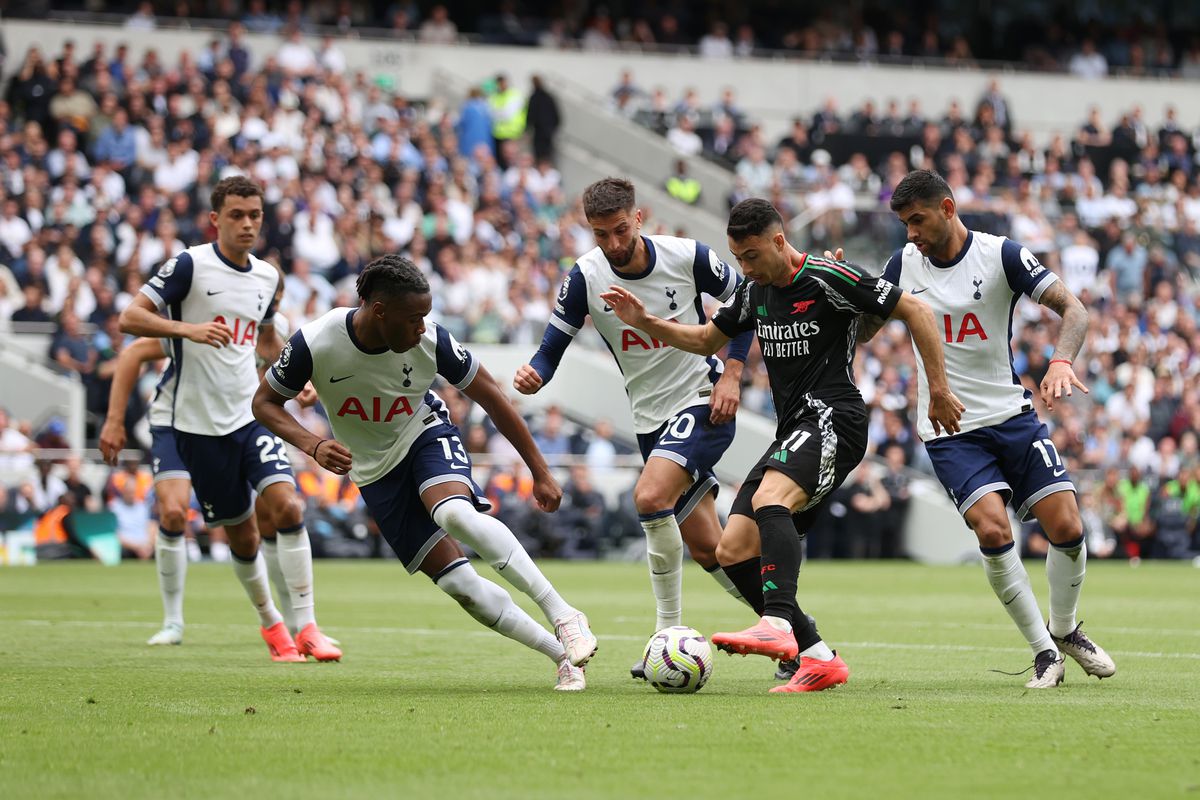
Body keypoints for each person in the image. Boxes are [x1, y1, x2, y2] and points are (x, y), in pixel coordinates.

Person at [601, 198, 962, 693]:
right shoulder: (754, 291)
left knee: (771, 501)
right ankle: (818, 657)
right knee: (732, 549)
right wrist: (646, 323)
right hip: (794, 429)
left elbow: (915, 309)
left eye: (750, 256)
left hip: (837, 418)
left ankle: (777, 624)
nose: (744, 268)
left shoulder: (828, 277)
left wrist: (937, 389)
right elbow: (707, 339)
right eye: (737, 258)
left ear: (778, 240)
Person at [252, 255, 597, 691]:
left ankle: (564, 613)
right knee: (462, 587)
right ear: (379, 311)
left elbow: (491, 395)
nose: (421, 327)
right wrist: (313, 444)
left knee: (452, 513)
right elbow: (263, 402)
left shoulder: (429, 340)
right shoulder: (316, 341)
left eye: (425, 317)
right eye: (414, 318)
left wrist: (540, 471)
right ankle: (562, 657)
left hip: (423, 434)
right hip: (374, 473)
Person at [866, 168, 1116, 688]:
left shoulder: (1000, 254)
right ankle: (1044, 651)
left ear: (948, 208)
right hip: (948, 426)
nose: (910, 234)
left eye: (918, 220)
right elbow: (868, 328)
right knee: (992, 528)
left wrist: (1061, 362)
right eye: (904, 224)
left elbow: (1074, 310)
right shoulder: (901, 265)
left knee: (1068, 528)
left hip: (1010, 415)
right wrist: (854, 292)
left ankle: (1065, 628)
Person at [514, 177, 755, 679]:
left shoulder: (688, 257)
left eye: (621, 230)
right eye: (601, 235)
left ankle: (663, 638)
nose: (613, 244)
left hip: (703, 400)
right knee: (710, 548)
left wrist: (732, 373)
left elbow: (747, 303)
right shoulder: (584, 276)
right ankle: (793, 631)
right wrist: (536, 372)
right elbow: (553, 342)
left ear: (639, 218)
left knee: (648, 498)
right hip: (650, 419)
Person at [118, 176, 340, 663]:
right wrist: (187, 329)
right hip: (195, 425)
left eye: (254, 215)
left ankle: (308, 627)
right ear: (215, 219)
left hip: (250, 414)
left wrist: (293, 376)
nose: (247, 224)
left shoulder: (268, 277)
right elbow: (129, 320)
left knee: (289, 508)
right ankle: (272, 627)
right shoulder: (188, 266)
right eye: (236, 215)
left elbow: (263, 340)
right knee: (241, 535)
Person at [99, 335, 322, 647]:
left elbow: (279, 364)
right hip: (179, 423)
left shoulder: (271, 324)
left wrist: (302, 382)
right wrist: (114, 419)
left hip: (244, 421)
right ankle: (173, 622)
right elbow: (135, 349)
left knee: (281, 510)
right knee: (176, 513)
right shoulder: (205, 316)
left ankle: (300, 625)